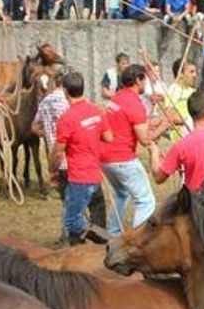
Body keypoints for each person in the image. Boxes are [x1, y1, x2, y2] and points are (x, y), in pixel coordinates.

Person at [99, 64, 157, 236]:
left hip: (105, 160)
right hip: (122, 160)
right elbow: (145, 139)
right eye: (144, 79)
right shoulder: (134, 103)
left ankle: (114, 234)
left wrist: (159, 122)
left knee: (122, 193)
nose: (146, 83)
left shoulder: (117, 98)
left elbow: (135, 123)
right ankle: (138, 241)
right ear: (138, 80)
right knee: (146, 201)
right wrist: (166, 124)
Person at [51, 71, 106, 244]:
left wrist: (52, 170)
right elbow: (109, 137)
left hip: (78, 177)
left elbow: (58, 152)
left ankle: (82, 248)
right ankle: (100, 246)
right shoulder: (96, 110)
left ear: (65, 91)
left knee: (72, 221)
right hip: (95, 174)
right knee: (98, 213)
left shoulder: (67, 118)